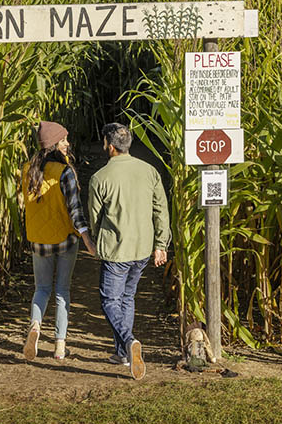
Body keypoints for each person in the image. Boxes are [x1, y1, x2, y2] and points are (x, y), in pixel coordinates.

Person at [88, 122, 170, 380]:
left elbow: (94, 218)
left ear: (109, 146)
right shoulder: (149, 171)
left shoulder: (100, 178)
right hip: (143, 248)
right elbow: (161, 209)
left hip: (116, 249)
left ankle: (129, 341)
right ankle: (122, 353)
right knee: (127, 297)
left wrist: (95, 241)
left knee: (110, 300)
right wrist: (160, 244)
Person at [20, 121, 97, 361]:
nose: (67, 144)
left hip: (38, 240)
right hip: (64, 240)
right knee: (62, 291)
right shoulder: (65, 172)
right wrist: (87, 239)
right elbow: (75, 210)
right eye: (63, 140)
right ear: (53, 144)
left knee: (41, 288)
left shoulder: (27, 170)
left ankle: (35, 326)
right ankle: (60, 345)